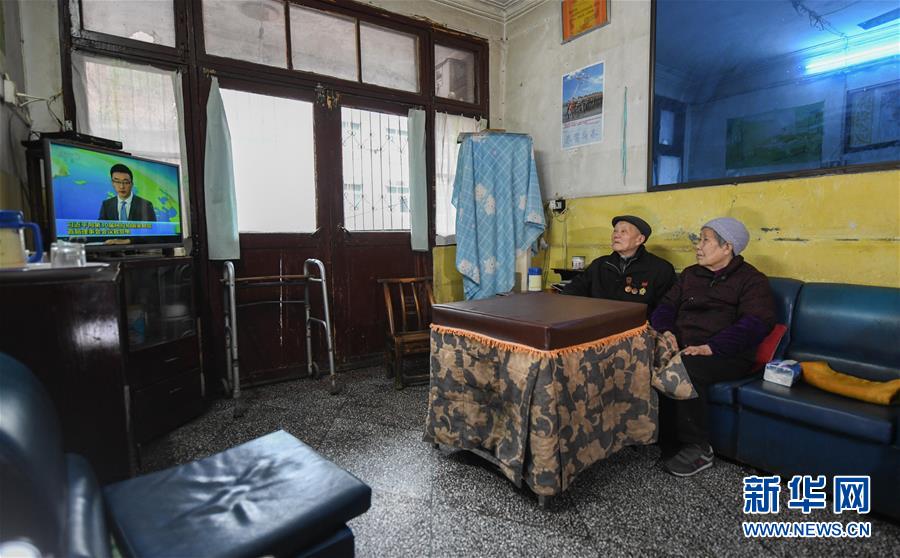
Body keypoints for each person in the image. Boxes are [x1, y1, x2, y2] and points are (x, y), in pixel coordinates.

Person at [650, 217, 775, 477]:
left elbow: (755, 324)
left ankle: (699, 447)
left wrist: (711, 347)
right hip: (682, 345)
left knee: (687, 366)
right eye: (699, 239)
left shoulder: (752, 280)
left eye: (705, 240)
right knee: (638, 352)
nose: (698, 245)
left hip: (726, 354)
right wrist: (666, 332)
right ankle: (648, 430)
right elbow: (665, 307)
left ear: (727, 246)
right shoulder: (690, 275)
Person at [562, 215, 676, 315]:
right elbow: (573, 290)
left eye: (623, 232)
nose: (616, 235)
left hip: (638, 328)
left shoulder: (660, 269)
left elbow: (665, 308)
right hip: (598, 324)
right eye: (615, 231)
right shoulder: (599, 265)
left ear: (640, 239)